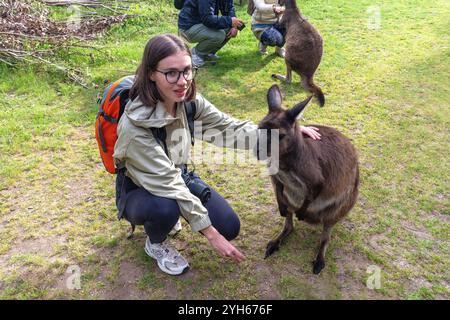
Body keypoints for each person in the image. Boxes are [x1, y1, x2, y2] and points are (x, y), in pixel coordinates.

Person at [113, 34, 321, 276]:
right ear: (151, 73)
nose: (183, 81)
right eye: (171, 73)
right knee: (165, 207)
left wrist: (281, 133)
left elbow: (228, 127)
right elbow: (168, 182)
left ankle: (178, 214)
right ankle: (156, 243)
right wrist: (210, 234)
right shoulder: (134, 128)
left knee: (229, 227)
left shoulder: (188, 102)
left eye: (188, 70)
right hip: (142, 189)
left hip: (178, 175)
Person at [178, 0, 244, 67]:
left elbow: (229, 7)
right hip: (188, 28)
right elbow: (207, 19)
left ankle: (207, 53)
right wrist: (230, 21)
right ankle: (195, 54)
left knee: (229, 27)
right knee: (219, 35)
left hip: (203, 24)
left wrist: (234, 26)